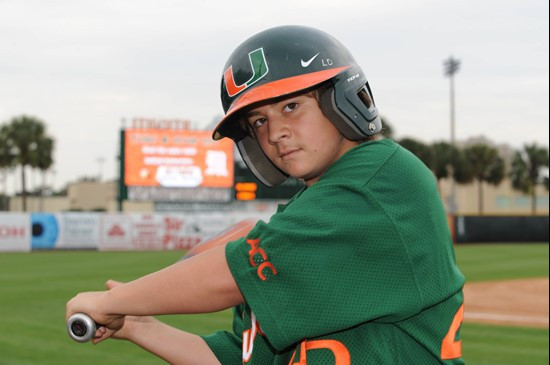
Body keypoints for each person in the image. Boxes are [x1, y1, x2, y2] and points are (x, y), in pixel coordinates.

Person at [66, 25, 465, 364]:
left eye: (291, 106)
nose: (274, 133)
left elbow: (231, 275)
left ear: (342, 99)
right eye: (259, 120)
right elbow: (240, 358)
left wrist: (115, 303)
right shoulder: (306, 211)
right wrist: (138, 326)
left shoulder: (382, 176)